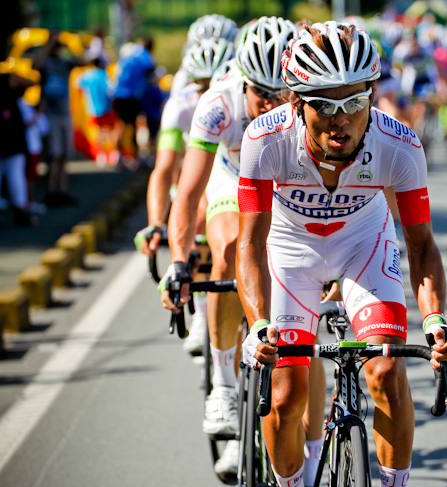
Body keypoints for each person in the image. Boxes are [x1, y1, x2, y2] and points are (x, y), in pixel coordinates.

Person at [236, 22, 447, 487]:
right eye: (323, 104)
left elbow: (420, 245)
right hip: (289, 248)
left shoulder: (398, 145)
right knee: (285, 394)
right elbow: (250, 245)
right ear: (296, 102)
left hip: (362, 243)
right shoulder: (264, 141)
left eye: (355, 103)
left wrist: (435, 319)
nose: (341, 119)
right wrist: (258, 322)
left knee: (385, 370)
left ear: (373, 96)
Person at [158, 17, 301, 480]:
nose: (271, 103)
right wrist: (180, 261)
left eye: (281, 93)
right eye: (261, 92)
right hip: (231, 177)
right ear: (242, 78)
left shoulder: (301, 102)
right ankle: (222, 384)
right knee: (230, 250)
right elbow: (186, 191)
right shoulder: (217, 103)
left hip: (282, 182)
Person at [136, 37, 235, 356]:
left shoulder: (242, 98)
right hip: (199, 177)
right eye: (199, 85)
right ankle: (205, 312)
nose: (207, 93)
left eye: (214, 83)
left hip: (234, 173)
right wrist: (155, 223)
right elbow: (164, 169)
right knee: (195, 213)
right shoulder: (180, 105)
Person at [0, 59, 35, 226]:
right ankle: (19, 210)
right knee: (15, 172)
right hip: (9, 135)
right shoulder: (7, 80)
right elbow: (32, 81)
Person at [34, 31, 87, 207]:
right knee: (54, 155)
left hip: (65, 113)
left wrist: (69, 46)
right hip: (51, 113)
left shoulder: (65, 62)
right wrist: (49, 47)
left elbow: (83, 61)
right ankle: (51, 191)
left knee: (64, 155)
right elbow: (35, 64)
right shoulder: (46, 63)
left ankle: (62, 191)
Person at [112, 36, 155, 167]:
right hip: (131, 96)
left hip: (118, 94)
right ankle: (134, 157)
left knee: (120, 125)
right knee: (132, 126)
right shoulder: (145, 57)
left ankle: (117, 154)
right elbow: (151, 72)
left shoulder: (129, 54)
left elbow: (117, 73)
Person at [79, 57, 118, 166]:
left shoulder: (86, 75)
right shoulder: (103, 74)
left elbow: (78, 86)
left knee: (100, 132)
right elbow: (110, 90)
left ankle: (101, 155)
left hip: (92, 108)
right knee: (110, 131)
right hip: (106, 107)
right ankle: (112, 153)